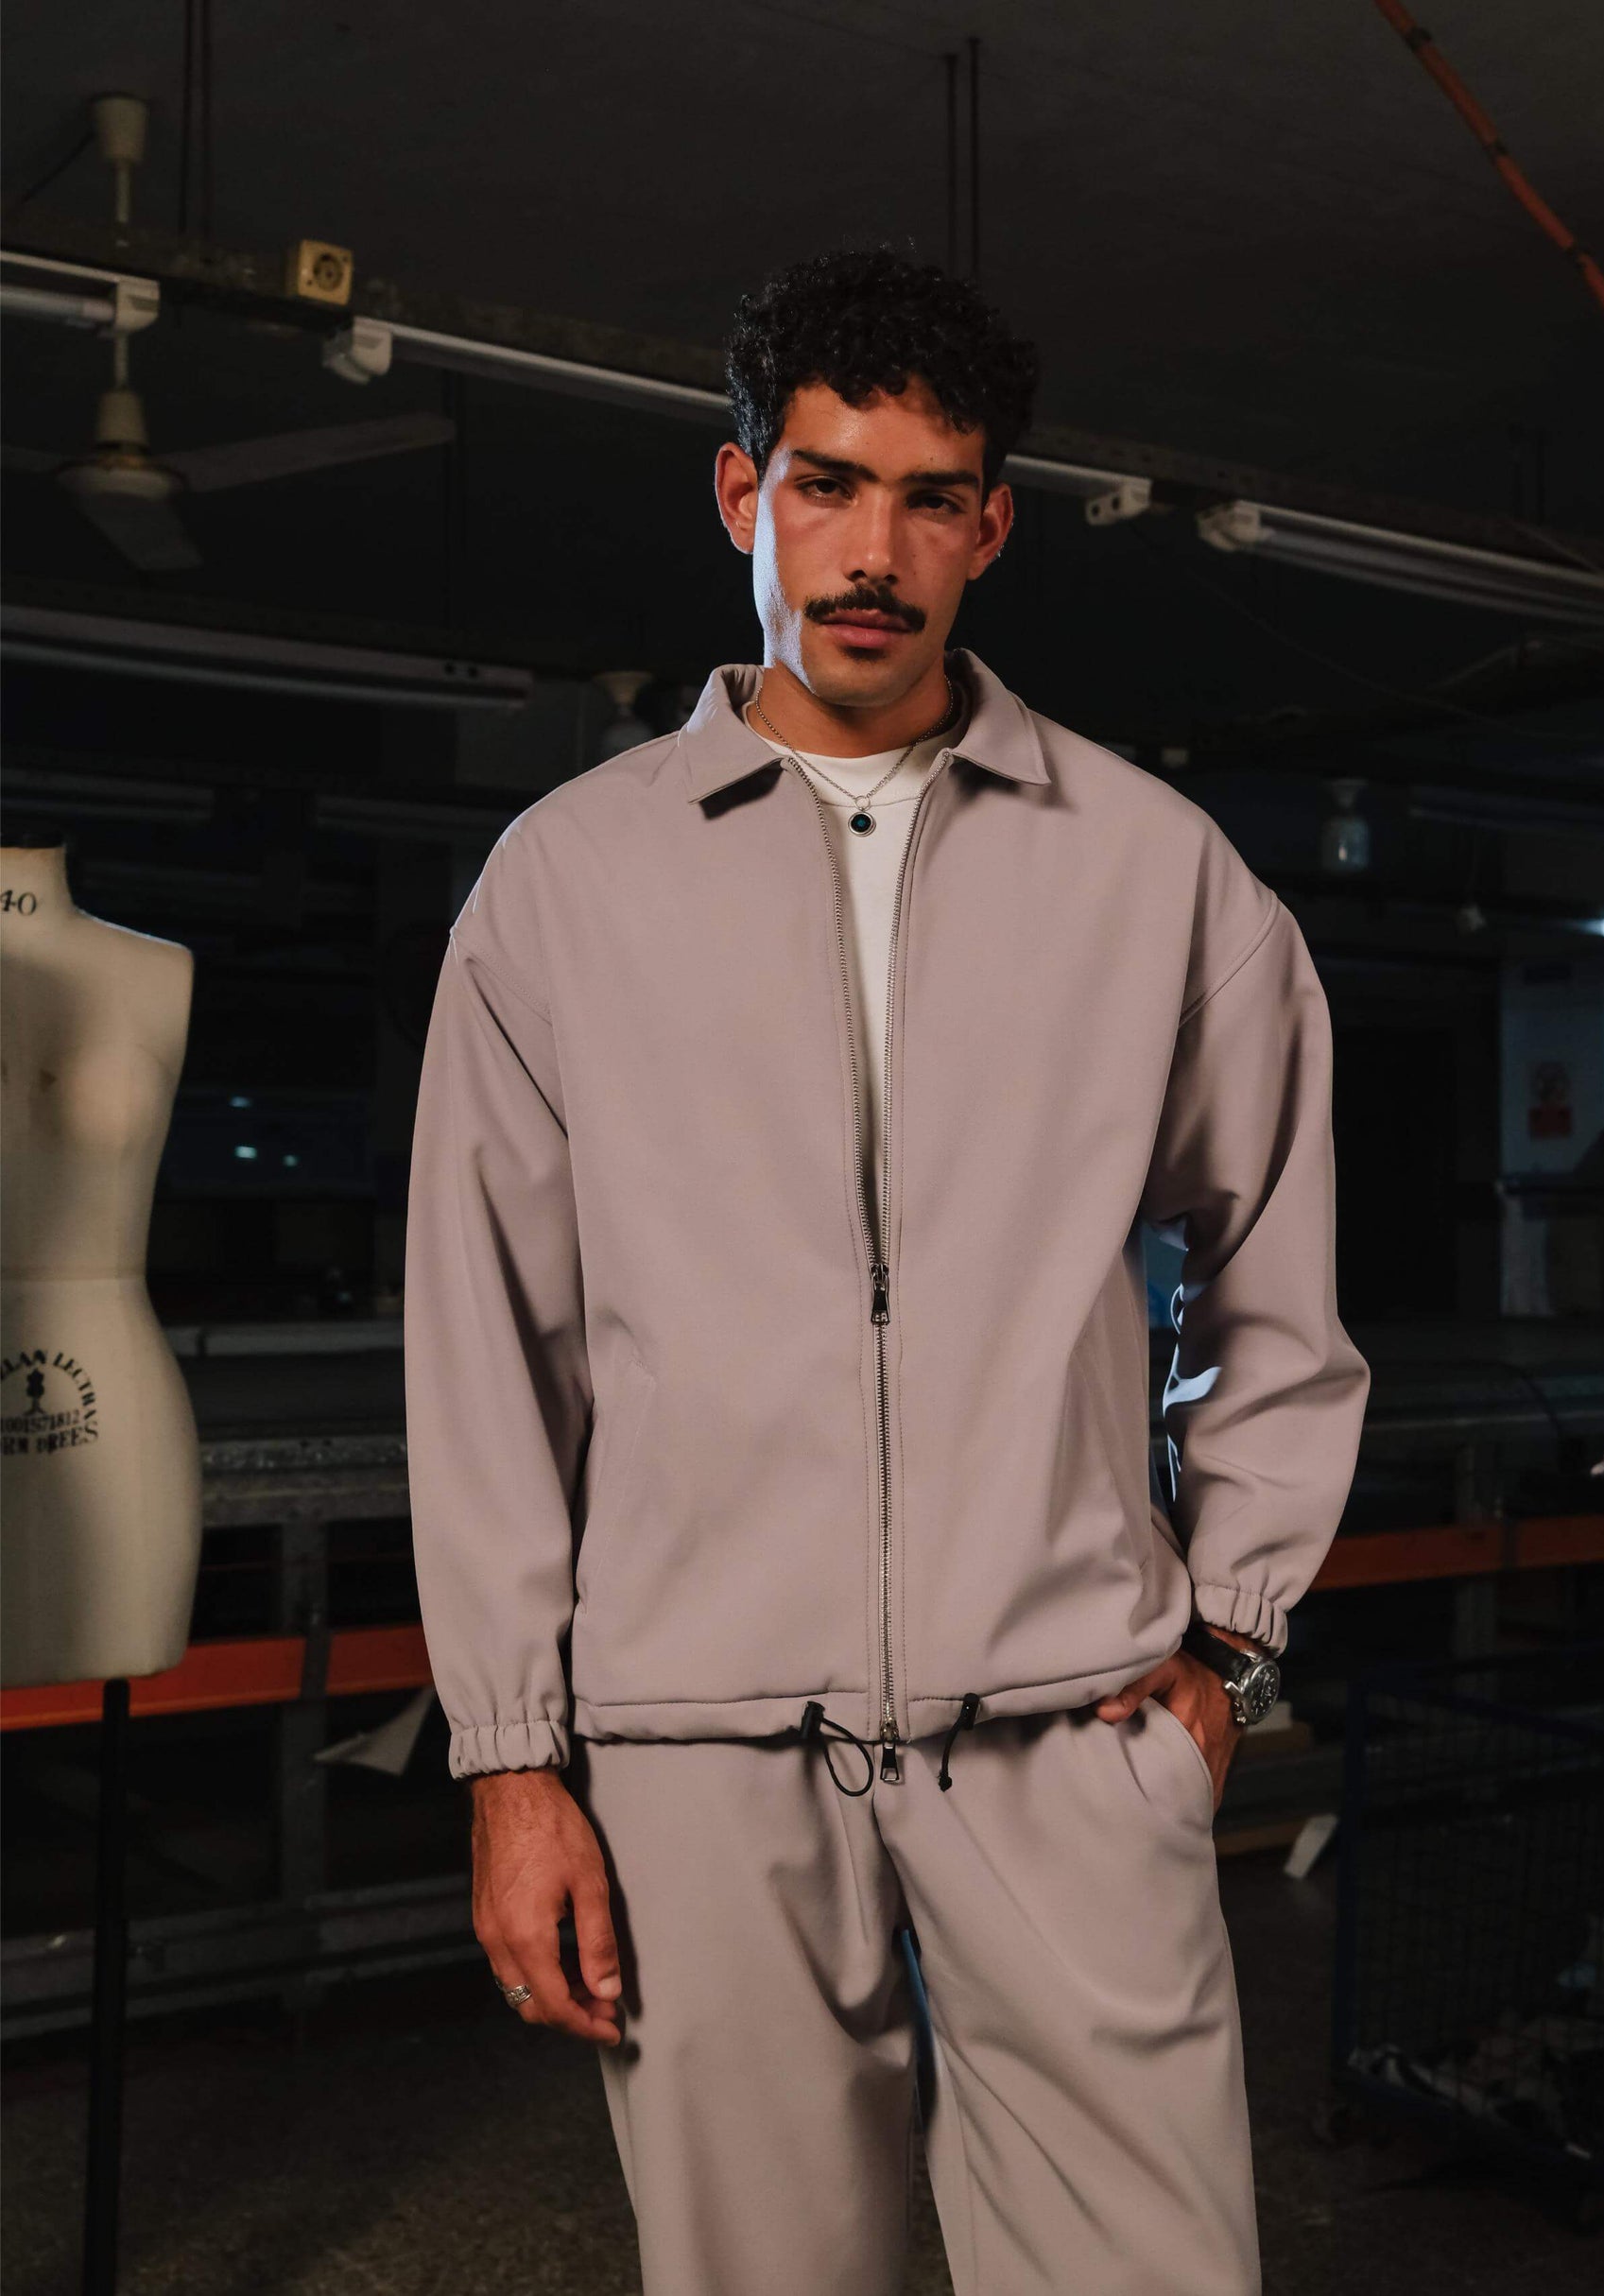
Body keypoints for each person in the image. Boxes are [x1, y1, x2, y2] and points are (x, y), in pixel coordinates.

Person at [405, 245, 1370, 2296]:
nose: (875, 550)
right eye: (829, 485)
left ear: (992, 528)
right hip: (697, 1748)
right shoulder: (567, 886)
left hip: (1068, 1730)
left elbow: (1277, 1268)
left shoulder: (1148, 868)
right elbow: (484, 1347)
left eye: (932, 499)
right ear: (741, 493)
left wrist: (1232, 1650)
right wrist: (512, 1758)